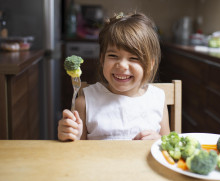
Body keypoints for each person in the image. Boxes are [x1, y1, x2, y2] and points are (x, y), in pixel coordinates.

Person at [58, 12, 170, 141]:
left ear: (150, 64)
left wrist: (159, 140)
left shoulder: (157, 99)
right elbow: (75, 153)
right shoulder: (84, 103)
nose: (122, 65)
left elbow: (168, 148)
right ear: (102, 59)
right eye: (113, 56)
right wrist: (69, 135)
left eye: (133, 58)